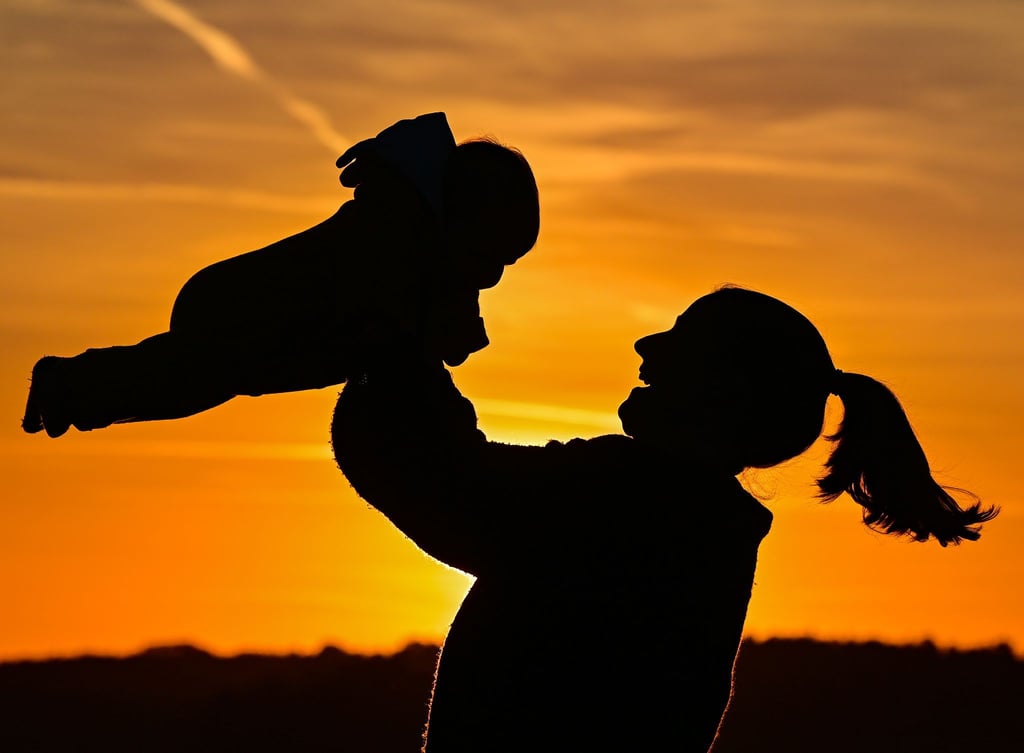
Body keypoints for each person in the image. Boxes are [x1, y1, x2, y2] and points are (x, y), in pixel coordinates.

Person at [330, 285, 997, 752]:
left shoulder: (632, 499)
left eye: (682, 338)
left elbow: (439, 480)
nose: (647, 344)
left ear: (722, 389)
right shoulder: (698, 524)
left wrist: (401, 351)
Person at [22, 112, 540, 438]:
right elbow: (419, 333)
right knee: (187, 379)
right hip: (240, 307)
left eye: (506, 265)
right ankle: (66, 384)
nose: (491, 278)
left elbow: (429, 335)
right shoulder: (391, 239)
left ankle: (71, 389)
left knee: (191, 385)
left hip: (260, 327)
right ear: (462, 220)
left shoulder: (423, 254)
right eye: (493, 255)